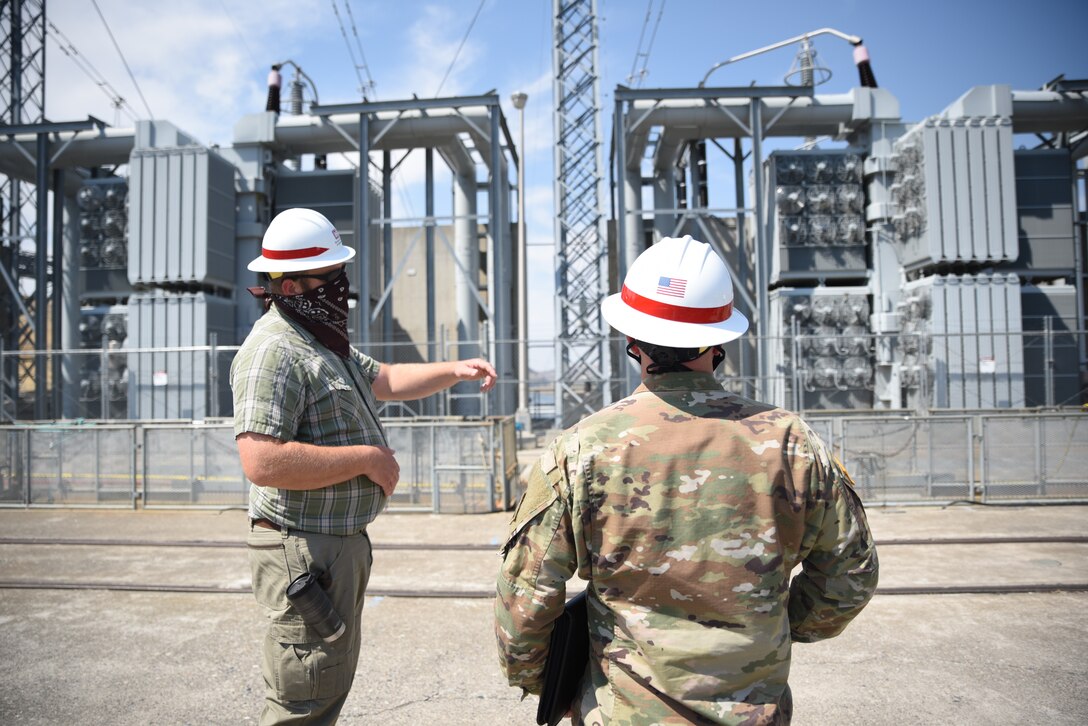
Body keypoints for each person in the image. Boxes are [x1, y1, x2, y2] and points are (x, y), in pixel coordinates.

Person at [495, 235, 878, 725]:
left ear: (631, 339)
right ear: (719, 341)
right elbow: (850, 576)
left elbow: (525, 595)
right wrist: (770, 628)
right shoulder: (792, 442)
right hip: (754, 709)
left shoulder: (581, 448)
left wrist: (545, 683)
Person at [232, 207, 496, 725]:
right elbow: (261, 461)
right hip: (301, 549)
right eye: (329, 278)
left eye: (339, 275)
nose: (340, 287)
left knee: (325, 684)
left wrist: (456, 370)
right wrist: (368, 459)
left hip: (331, 548)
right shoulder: (273, 351)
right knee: (301, 698)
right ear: (287, 287)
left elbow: (389, 380)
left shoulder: (323, 341)